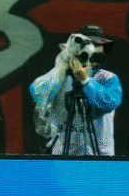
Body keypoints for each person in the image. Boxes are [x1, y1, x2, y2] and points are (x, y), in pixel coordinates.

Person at [30, 25, 122, 155]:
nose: (91, 50)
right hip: (63, 155)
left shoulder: (107, 78)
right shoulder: (60, 77)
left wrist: (85, 80)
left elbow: (110, 102)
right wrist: (61, 68)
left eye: (97, 45)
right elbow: (38, 94)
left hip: (99, 157)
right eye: (87, 45)